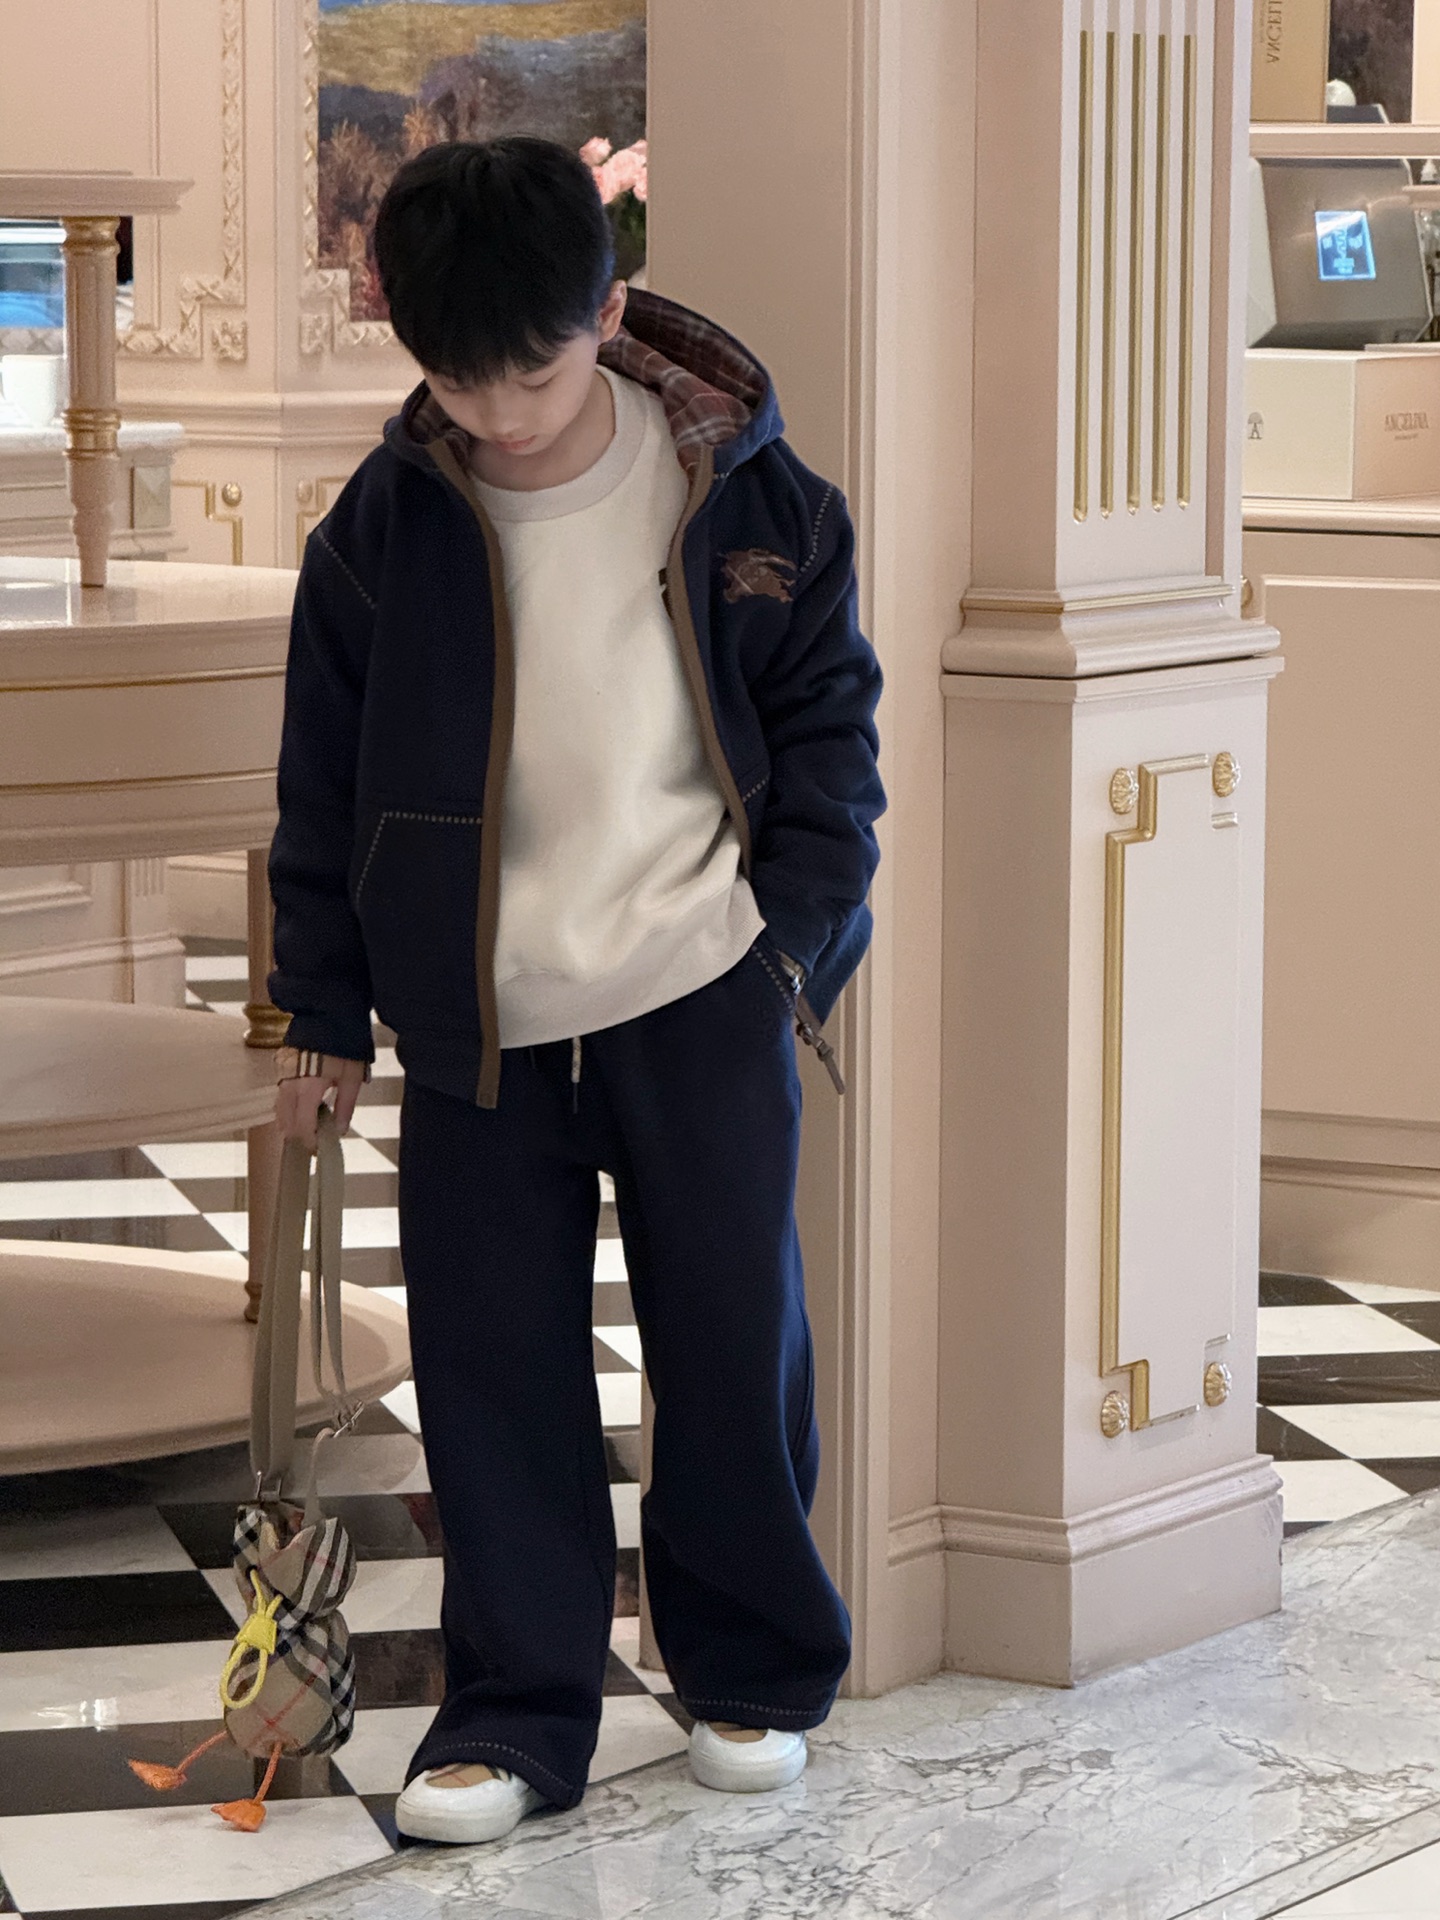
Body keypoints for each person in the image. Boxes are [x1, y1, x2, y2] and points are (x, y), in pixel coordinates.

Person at [266, 135, 886, 1846]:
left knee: (731, 1342)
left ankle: (753, 1674)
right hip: (475, 1025)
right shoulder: (380, 530)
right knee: (492, 1372)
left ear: (609, 313)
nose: (498, 414)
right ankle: (515, 1714)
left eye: (530, 375)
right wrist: (316, 1012)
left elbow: (833, 744)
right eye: (456, 381)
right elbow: (318, 790)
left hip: (700, 985)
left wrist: (787, 949)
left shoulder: (754, 497)